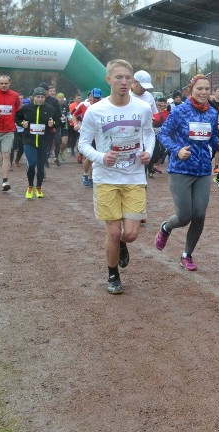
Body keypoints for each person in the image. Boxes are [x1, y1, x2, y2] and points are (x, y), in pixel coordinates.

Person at [78, 60, 155, 295]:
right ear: (108, 80)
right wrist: (101, 157)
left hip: (133, 176)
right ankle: (113, 275)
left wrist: (148, 152)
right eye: (119, 77)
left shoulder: (141, 108)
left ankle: (122, 243)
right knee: (112, 231)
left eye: (128, 78)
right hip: (106, 177)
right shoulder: (95, 110)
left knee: (130, 234)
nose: (124, 82)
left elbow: (149, 134)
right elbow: (82, 144)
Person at [154, 75, 219, 271]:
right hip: (181, 169)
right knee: (184, 216)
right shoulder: (180, 111)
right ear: (191, 90)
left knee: (199, 215)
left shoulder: (212, 113)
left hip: (203, 170)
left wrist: (218, 143)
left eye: (206, 89)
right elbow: (163, 133)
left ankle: (187, 254)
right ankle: (166, 227)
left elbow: (210, 138)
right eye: (199, 89)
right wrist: (177, 150)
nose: (203, 92)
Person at [14, 87, 59, 199]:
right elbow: (16, 118)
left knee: (40, 166)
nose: (40, 99)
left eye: (42, 97)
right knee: (32, 163)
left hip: (44, 141)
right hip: (29, 140)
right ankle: (30, 186)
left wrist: (53, 124)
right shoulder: (26, 108)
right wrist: (22, 123)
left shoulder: (50, 109)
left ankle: (38, 187)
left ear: (45, 98)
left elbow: (59, 121)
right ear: (33, 97)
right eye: (37, 97)